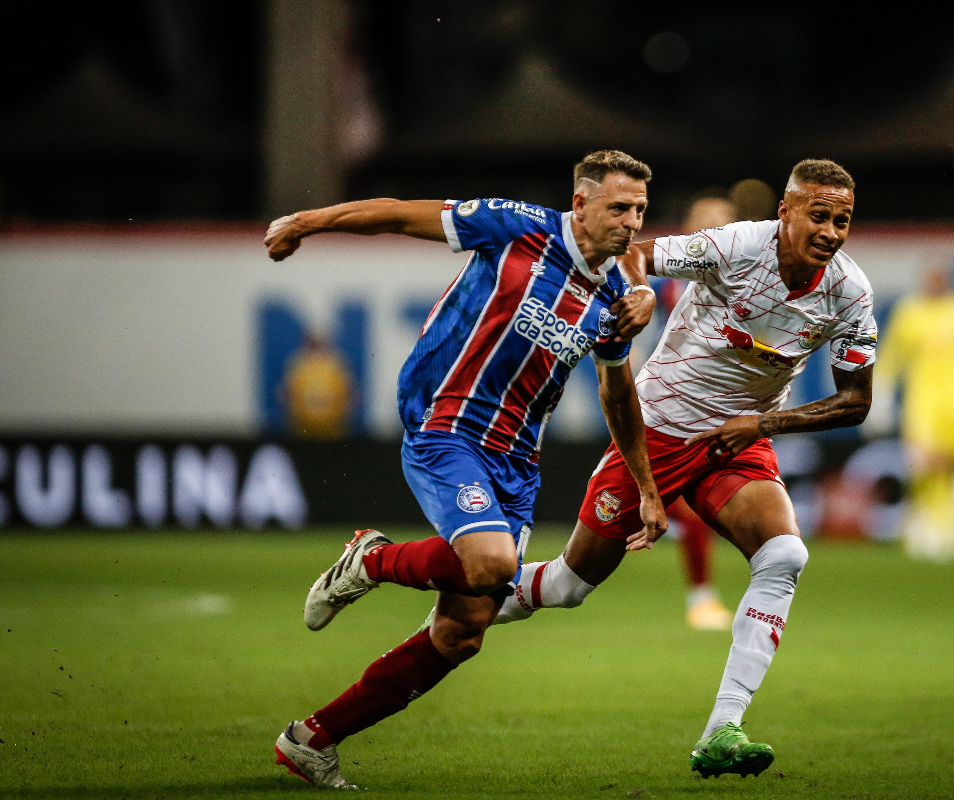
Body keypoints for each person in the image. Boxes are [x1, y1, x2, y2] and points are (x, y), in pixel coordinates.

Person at [261, 150, 668, 787]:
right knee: (493, 564)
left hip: (517, 460)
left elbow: (618, 395)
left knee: (462, 632)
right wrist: (306, 221)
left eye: (640, 209)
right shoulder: (516, 226)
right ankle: (370, 561)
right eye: (618, 207)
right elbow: (397, 215)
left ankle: (312, 740)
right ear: (581, 203)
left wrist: (646, 484)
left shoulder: (616, 297)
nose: (630, 221)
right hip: (446, 424)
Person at [481, 159, 876, 777]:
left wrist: (762, 423)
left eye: (842, 220)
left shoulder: (850, 292)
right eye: (818, 216)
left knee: (785, 557)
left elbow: (857, 402)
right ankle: (460, 602)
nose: (829, 231)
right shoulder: (738, 245)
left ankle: (724, 730)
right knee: (568, 586)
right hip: (660, 427)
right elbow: (638, 253)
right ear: (786, 214)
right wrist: (637, 294)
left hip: (735, 439)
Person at [874, 261, 954, 560]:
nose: (937, 281)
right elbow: (892, 356)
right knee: (922, 461)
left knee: (950, 465)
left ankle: (945, 526)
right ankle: (923, 523)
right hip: (921, 401)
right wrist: (883, 394)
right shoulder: (909, 312)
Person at [667, 193, 738, 630]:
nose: (714, 230)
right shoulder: (666, 280)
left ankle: (706, 597)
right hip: (666, 407)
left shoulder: (751, 277)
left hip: (721, 408)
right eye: (705, 223)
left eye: (724, 223)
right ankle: (702, 596)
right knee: (682, 507)